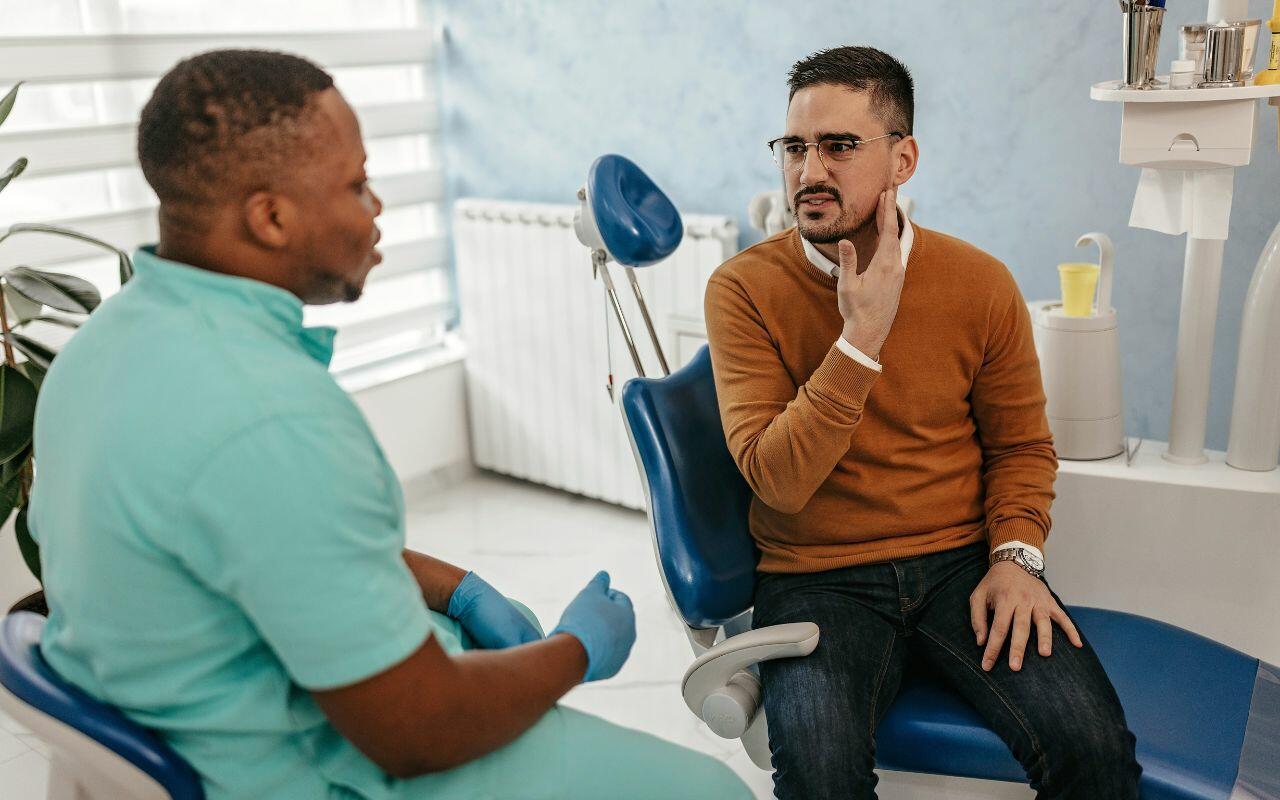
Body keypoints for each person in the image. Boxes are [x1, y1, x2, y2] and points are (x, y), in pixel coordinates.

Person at [28, 49, 750, 800]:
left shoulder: (98, 351)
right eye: (356, 184)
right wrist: (576, 650)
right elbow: (420, 731)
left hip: (213, 706)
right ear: (270, 217)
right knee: (711, 790)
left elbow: (270, 537)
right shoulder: (273, 417)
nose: (376, 209)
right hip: (327, 768)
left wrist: (459, 590)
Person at [704, 46, 1142, 799]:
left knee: (1095, 753)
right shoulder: (742, 290)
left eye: (839, 146)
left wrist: (1016, 557)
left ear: (902, 158)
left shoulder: (979, 283)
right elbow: (778, 482)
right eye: (795, 147)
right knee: (820, 782)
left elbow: (1021, 446)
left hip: (962, 566)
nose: (810, 171)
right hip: (815, 580)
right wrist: (858, 342)